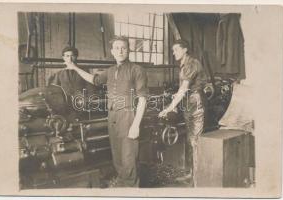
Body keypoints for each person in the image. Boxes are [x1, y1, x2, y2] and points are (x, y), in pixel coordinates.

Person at [65, 36, 148, 187]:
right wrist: (75, 68)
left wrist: (136, 125)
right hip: (112, 116)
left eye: (123, 47)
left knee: (129, 157)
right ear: (112, 51)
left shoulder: (137, 70)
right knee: (117, 156)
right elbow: (94, 80)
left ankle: (131, 189)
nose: (120, 51)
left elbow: (142, 99)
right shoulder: (110, 71)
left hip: (128, 115)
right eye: (117, 48)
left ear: (128, 50)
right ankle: (123, 184)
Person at [158, 40, 207, 187]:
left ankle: (198, 182)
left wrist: (169, 108)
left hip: (195, 103)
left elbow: (184, 89)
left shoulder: (191, 64)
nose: (173, 53)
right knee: (190, 140)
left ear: (185, 49)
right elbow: (182, 90)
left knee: (195, 141)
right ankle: (191, 175)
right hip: (188, 103)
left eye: (176, 50)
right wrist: (176, 103)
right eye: (173, 50)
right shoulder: (185, 65)